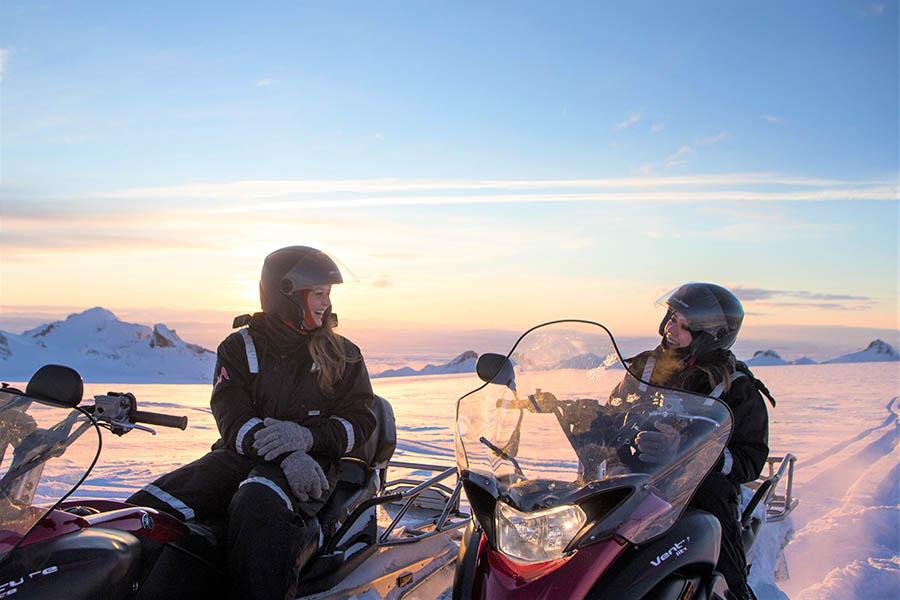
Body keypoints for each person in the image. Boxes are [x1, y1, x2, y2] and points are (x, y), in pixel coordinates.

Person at [128, 246, 376, 600]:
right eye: (318, 293)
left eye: (328, 294)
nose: (326, 303)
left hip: (313, 466)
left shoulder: (343, 355)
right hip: (240, 455)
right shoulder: (239, 347)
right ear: (286, 293)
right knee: (148, 506)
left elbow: (360, 420)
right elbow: (232, 417)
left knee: (259, 501)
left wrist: (306, 439)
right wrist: (284, 452)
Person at [623, 282, 771, 600]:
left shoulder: (735, 386)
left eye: (683, 325)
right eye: (671, 318)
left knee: (721, 549)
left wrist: (692, 452)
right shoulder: (644, 367)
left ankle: (735, 591)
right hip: (635, 480)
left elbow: (751, 457)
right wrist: (576, 413)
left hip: (699, 490)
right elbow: (616, 411)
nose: (670, 329)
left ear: (711, 336)